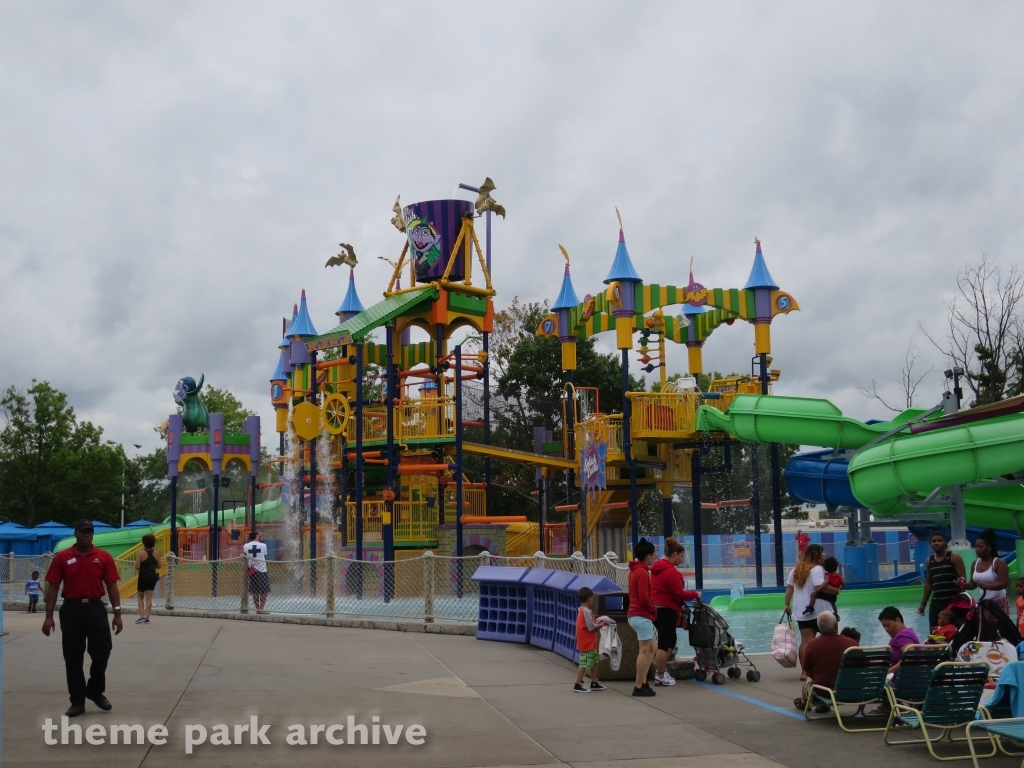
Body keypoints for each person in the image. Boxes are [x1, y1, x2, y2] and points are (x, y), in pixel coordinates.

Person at [42, 519, 123, 717]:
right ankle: (77, 701)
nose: (87, 535)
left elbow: (112, 585)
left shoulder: (103, 557)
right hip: (71, 610)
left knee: (103, 651)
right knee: (73, 656)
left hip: (96, 608)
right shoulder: (63, 557)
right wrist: (48, 617)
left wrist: (117, 614)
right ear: (76, 534)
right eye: (83, 531)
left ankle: (94, 690)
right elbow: (53, 586)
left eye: (90, 532)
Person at [650, 537, 700, 687]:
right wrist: (695, 594)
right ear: (675, 554)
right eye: (681, 556)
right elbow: (679, 594)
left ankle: (662, 671)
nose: (682, 559)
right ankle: (659, 674)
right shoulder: (670, 572)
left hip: (657, 608)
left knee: (670, 640)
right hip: (666, 609)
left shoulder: (658, 567)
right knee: (665, 643)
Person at [784, 544, 839, 678]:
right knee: (832, 640)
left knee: (806, 641)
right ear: (817, 555)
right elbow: (820, 587)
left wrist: (786, 604)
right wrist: (837, 590)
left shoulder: (796, 569)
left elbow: (790, 588)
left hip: (802, 611)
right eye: (823, 553)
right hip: (821, 610)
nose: (824, 556)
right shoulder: (818, 569)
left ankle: (805, 673)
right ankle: (831, 669)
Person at [793, 612, 858, 710]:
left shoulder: (812, 645)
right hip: (850, 689)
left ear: (819, 628)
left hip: (824, 691)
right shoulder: (852, 643)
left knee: (809, 680)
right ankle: (820, 705)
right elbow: (860, 667)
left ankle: (806, 701)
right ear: (835, 625)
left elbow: (809, 672)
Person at [966, 528, 1010, 640]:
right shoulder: (974, 564)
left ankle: (1002, 652)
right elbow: (973, 584)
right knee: (982, 633)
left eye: (980, 547)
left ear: (989, 548)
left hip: (997, 603)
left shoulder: (998, 563)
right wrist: (963, 585)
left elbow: (1004, 582)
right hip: (983, 604)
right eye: (976, 546)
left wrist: (988, 586)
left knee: (992, 633)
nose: (977, 549)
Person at [627, 539, 658, 698]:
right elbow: (644, 597)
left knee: (652, 649)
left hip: (636, 615)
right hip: (641, 615)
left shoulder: (634, 570)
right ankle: (639, 686)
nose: (654, 557)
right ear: (647, 556)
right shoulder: (642, 572)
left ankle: (643, 682)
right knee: (645, 651)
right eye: (653, 555)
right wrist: (653, 609)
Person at [918, 531, 966, 630]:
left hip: (953, 602)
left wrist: (960, 582)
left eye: (939, 540)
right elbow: (929, 583)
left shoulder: (954, 557)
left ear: (945, 542)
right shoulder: (929, 561)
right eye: (933, 541)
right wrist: (923, 604)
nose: (936, 543)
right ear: (930, 544)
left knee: (953, 631)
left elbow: (963, 578)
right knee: (934, 632)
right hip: (936, 603)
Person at [573, 587, 607, 693]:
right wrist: (601, 624)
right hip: (587, 643)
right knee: (584, 663)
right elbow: (591, 626)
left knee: (594, 662)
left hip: (587, 642)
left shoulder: (581, 610)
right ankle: (577, 684)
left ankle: (594, 682)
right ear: (590, 599)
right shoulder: (586, 611)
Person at [878, 606, 920, 674]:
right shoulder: (906, 633)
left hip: (905, 681)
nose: (886, 629)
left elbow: (909, 657)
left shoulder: (903, 635)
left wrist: (887, 672)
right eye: (884, 627)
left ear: (897, 620)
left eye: (888, 625)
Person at [134, 533, 160, 624]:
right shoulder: (156, 553)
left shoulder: (141, 553)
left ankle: (142, 616)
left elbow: (137, 566)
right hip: (152, 576)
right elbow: (159, 565)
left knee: (140, 596)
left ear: (143, 543)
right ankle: (147, 618)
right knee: (149, 597)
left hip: (143, 576)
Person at [245, 531, 270, 614]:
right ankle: (261, 608)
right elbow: (264, 554)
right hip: (262, 570)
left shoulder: (246, 546)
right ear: (256, 536)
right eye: (259, 535)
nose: (260, 536)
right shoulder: (263, 545)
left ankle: (257, 608)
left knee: (255, 590)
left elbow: (246, 555)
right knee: (264, 590)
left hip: (252, 570)